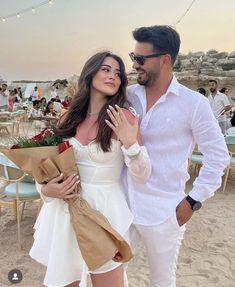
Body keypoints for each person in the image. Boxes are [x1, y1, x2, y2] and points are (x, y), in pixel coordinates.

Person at [29, 51, 151, 287]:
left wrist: (131, 143)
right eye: (106, 70)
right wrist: (46, 191)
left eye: (118, 73)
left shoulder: (123, 117)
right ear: (90, 73)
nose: (113, 76)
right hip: (66, 212)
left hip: (105, 212)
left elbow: (142, 174)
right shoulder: (68, 119)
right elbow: (46, 168)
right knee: (67, 280)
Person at [126, 25, 230, 287]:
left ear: (165, 60)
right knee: (113, 273)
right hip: (123, 204)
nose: (135, 64)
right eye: (133, 57)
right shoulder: (127, 95)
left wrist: (193, 200)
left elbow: (218, 156)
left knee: (162, 280)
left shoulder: (194, 103)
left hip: (165, 211)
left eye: (140, 59)